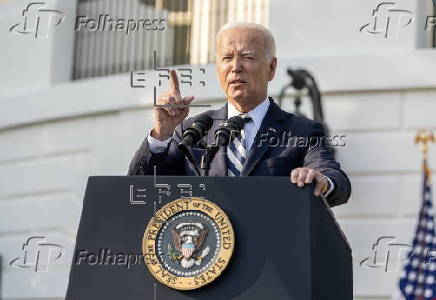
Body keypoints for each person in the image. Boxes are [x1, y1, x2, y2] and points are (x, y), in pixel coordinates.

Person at [128, 22, 351, 207]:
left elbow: (335, 180)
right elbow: (142, 190)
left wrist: (322, 181)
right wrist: (161, 134)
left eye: (247, 57)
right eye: (226, 58)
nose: (236, 67)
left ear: (271, 68)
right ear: (218, 69)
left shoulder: (301, 131)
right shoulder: (192, 131)